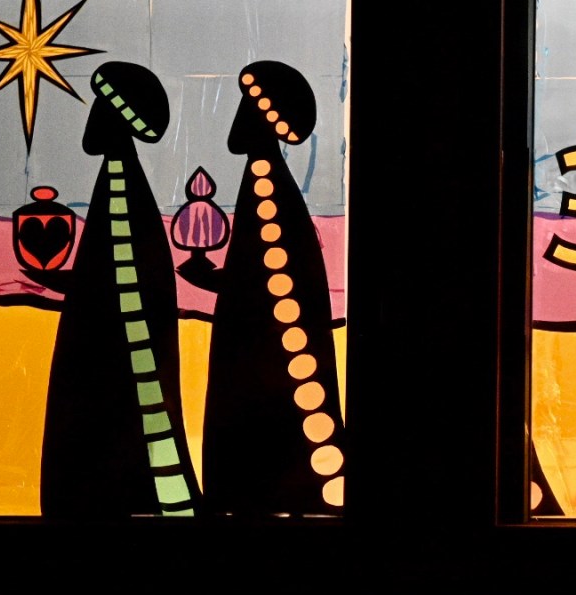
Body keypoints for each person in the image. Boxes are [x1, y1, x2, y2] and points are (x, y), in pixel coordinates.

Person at [31, 61, 202, 517]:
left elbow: (120, 280)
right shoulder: (117, 182)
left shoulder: (122, 187)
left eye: (100, 107)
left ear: (118, 116)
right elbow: (111, 275)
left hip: (118, 363)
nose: (91, 119)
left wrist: (72, 288)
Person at [178, 60, 346, 517]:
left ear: (264, 115)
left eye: (246, 107)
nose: (236, 120)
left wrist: (214, 281)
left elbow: (271, 278)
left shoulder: (267, 184)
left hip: (267, 355)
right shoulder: (265, 180)